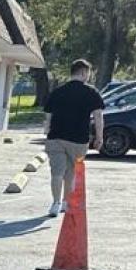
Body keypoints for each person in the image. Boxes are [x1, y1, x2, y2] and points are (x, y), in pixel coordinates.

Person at [42, 59, 104, 217]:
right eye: (88, 73)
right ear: (83, 72)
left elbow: (48, 115)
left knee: (56, 172)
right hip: (79, 140)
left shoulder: (57, 91)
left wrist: (46, 130)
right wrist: (99, 137)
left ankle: (55, 203)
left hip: (56, 137)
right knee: (71, 173)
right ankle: (65, 202)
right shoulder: (91, 93)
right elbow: (98, 116)